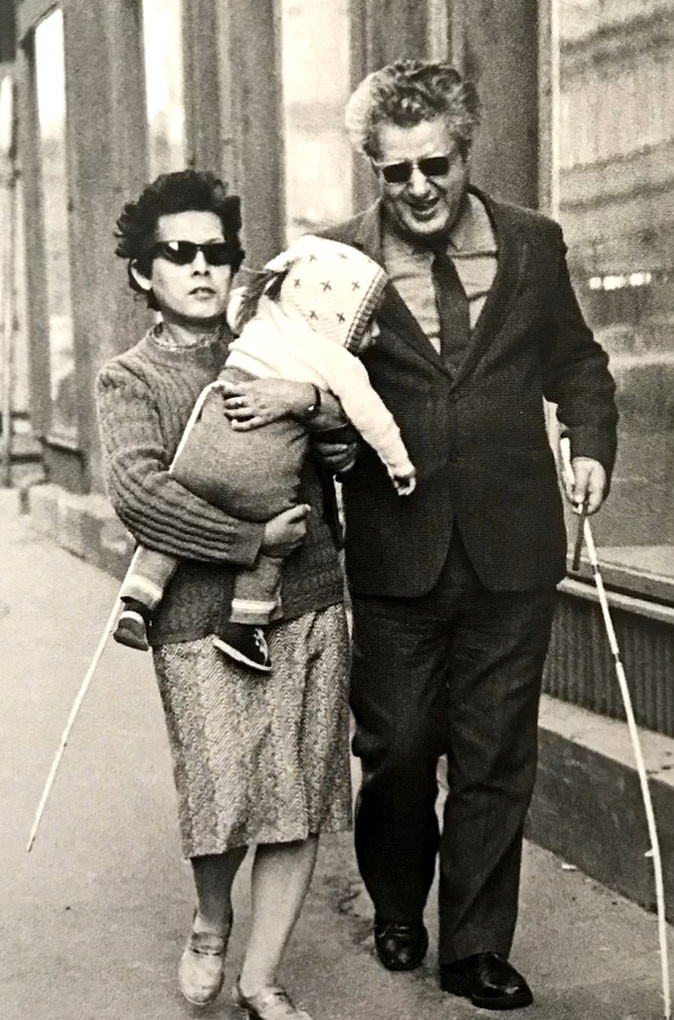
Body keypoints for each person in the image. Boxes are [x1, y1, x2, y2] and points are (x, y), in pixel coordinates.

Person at [322, 59, 618, 1010]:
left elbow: (579, 363)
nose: (417, 188)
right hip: (394, 553)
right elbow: (293, 380)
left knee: (497, 754)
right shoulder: (337, 262)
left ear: (466, 149)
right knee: (400, 749)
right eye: (394, 171)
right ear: (374, 167)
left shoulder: (535, 244)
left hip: (514, 548)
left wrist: (591, 445)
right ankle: (400, 900)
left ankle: (475, 946)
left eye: (435, 166)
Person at [95, 169, 355, 1020]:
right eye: (179, 253)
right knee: (223, 790)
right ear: (144, 272)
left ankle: (261, 977)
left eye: (218, 253)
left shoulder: (280, 341)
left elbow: (343, 460)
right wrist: (246, 542)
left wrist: (314, 400)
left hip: (309, 595)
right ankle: (212, 921)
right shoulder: (128, 379)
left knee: (299, 789)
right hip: (195, 619)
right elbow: (141, 496)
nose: (203, 268)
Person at [114, 234, 416, 673]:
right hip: (263, 472)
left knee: (188, 497)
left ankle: (137, 599)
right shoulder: (339, 360)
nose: (374, 334)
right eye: (366, 321)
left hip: (206, 445)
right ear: (339, 318)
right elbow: (373, 420)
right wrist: (399, 464)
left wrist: (279, 279)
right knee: (276, 535)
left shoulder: (263, 315)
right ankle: (245, 625)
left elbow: (237, 303)